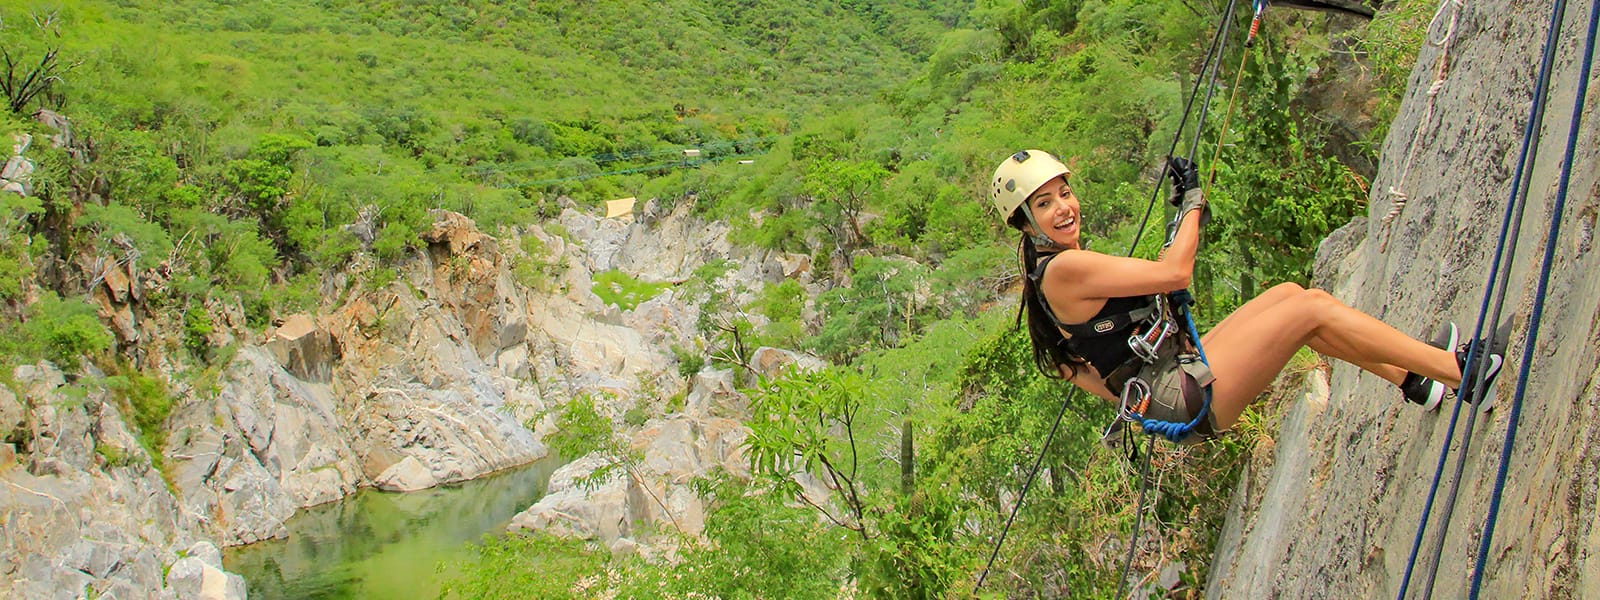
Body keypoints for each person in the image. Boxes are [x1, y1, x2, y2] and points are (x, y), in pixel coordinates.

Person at [990, 149, 1503, 441]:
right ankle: (1462, 373)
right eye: (1045, 202)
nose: (1064, 208)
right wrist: (1191, 204)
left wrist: (1143, 403)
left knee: (1289, 296)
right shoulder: (1068, 268)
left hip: (1170, 385)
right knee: (1310, 310)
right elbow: (1175, 273)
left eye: (1064, 192)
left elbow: (1078, 370)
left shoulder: (1042, 276)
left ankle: (1415, 379)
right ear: (1026, 221)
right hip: (1180, 391)